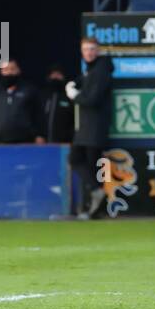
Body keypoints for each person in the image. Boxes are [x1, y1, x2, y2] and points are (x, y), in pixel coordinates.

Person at [67, 37, 113, 218]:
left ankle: (96, 193)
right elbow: (83, 81)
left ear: (98, 50)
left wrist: (74, 96)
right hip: (88, 126)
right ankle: (95, 206)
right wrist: (73, 85)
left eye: (92, 49)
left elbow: (92, 99)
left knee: (77, 159)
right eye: (86, 49)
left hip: (94, 126)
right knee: (88, 164)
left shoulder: (100, 71)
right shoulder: (92, 70)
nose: (89, 52)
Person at [0, 59, 44, 144]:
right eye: (6, 69)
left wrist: (39, 134)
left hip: (25, 140)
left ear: (18, 70)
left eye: (12, 69)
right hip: (0, 141)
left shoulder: (29, 91)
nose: (9, 72)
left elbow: (39, 114)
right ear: (1, 71)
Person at [42, 63, 75, 144]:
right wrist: (38, 135)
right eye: (53, 74)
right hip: (42, 143)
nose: (56, 77)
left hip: (64, 143)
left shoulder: (69, 97)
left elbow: (74, 121)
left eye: (59, 74)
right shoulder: (41, 96)